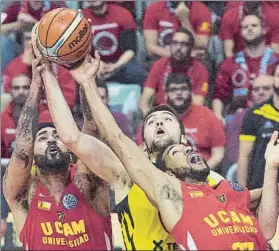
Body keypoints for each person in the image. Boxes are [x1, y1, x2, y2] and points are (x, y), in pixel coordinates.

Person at [65, 50, 278, 249]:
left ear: (185, 140)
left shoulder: (218, 185)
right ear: (143, 143)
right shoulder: (161, 187)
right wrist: (87, 85)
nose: (159, 124)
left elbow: (266, 224)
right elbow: (114, 138)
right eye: (152, 122)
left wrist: (271, 167)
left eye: (167, 119)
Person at [3, 48, 112, 250]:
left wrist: (85, 82)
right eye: (43, 138)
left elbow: (92, 131)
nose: (52, 140)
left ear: (71, 149)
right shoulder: (23, 195)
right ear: (33, 157)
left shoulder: (88, 184)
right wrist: (35, 85)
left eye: (58, 137)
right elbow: (21, 150)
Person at [137, 72, 226, 170]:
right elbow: (142, 154)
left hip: (203, 175)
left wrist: (200, 173)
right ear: (166, 94)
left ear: (191, 92)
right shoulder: (153, 119)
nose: (179, 93)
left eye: (183, 89)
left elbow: (218, 155)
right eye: (173, 90)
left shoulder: (208, 116)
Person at [213, 14, 279, 122]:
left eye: (254, 25)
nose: (249, 29)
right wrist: (218, 117)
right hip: (239, 118)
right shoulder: (229, 64)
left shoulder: (276, 61)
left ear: (264, 30)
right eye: (245, 27)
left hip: (273, 116)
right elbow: (219, 95)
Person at [140, 28, 209, 116]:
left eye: (183, 44)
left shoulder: (201, 70)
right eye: (175, 43)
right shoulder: (160, 65)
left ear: (190, 48)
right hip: (161, 115)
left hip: (189, 116)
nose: (178, 48)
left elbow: (198, 103)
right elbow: (144, 101)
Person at [82, 1, 147, 86]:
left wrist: (115, 66)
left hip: (121, 63)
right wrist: (95, 64)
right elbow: (80, 51)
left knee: (139, 75)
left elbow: (130, 49)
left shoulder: (122, 14)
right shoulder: (81, 18)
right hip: (92, 64)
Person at [238, 63, 279, 189]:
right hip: (262, 187)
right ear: (273, 79)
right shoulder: (255, 113)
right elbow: (244, 156)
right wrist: (242, 191)